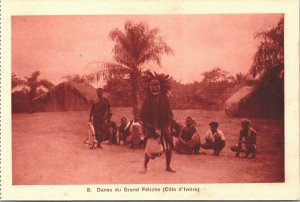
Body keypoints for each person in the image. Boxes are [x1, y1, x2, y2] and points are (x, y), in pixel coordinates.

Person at [140, 72, 175, 173]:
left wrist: (167, 126)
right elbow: (143, 116)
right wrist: (152, 128)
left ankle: (168, 166)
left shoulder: (165, 98)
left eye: (157, 85)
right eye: (153, 85)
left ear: (160, 86)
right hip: (151, 129)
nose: (155, 87)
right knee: (149, 149)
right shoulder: (147, 100)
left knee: (168, 147)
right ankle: (144, 167)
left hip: (164, 127)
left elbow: (169, 113)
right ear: (150, 87)